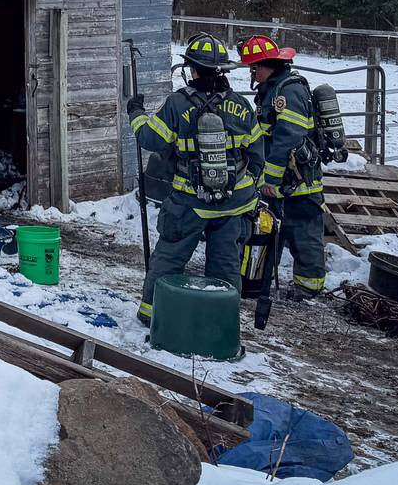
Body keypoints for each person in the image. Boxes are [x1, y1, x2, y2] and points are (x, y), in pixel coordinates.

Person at [126, 33, 265, 325]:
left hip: (190, 203)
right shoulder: (241, 105)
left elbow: (150, 139)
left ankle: (151, 314)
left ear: (193, 69)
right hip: (235, 205)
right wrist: (247, 188)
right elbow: (257, 155)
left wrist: (135, 112)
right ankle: (222, 322)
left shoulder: (178, 104)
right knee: (226, 265)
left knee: (169, 258)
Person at [237, 35, 326, 297]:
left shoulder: (288, 92)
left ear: (268, 65)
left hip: (298, 184)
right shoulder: (272, 89)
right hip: (280, 184)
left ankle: (308, 289)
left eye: (255, 67)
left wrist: (271, 181)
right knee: (269, 231)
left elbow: (288, 139)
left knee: (304, 235)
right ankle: (262, 281)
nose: (252, 73)